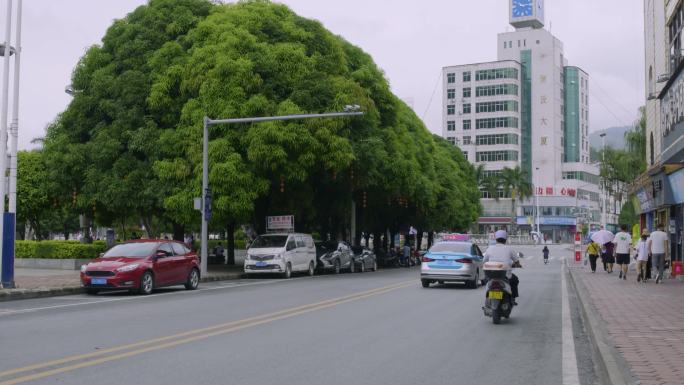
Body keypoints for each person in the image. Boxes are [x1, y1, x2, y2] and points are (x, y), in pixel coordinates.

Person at [483, 230, 521, 305]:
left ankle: (488, 299)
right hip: (505, 275)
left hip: (491, 275)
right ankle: (513, 298)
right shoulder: (510, 249)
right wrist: (517, 265)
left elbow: (484, 261)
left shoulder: (490, 248)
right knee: (515, 280)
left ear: (496, 239)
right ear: (506, 240)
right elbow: (517, 262)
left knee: (486, 281)